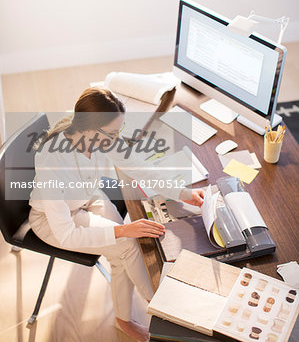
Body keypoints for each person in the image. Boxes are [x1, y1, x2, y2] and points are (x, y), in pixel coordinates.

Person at [29, 87, 204, 342]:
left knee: (123, 249)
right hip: (53, 221)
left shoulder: (99, 136)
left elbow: (140, 168)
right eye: (112, 132)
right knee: (126, 243)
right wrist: (122, 230)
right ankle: (162, 306)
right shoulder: (52, 164)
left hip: (86, 199)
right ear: (89, 128)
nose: (116, 139)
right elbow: (66, 235)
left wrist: (182, 192)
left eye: (119, 131)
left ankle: (129, 317)